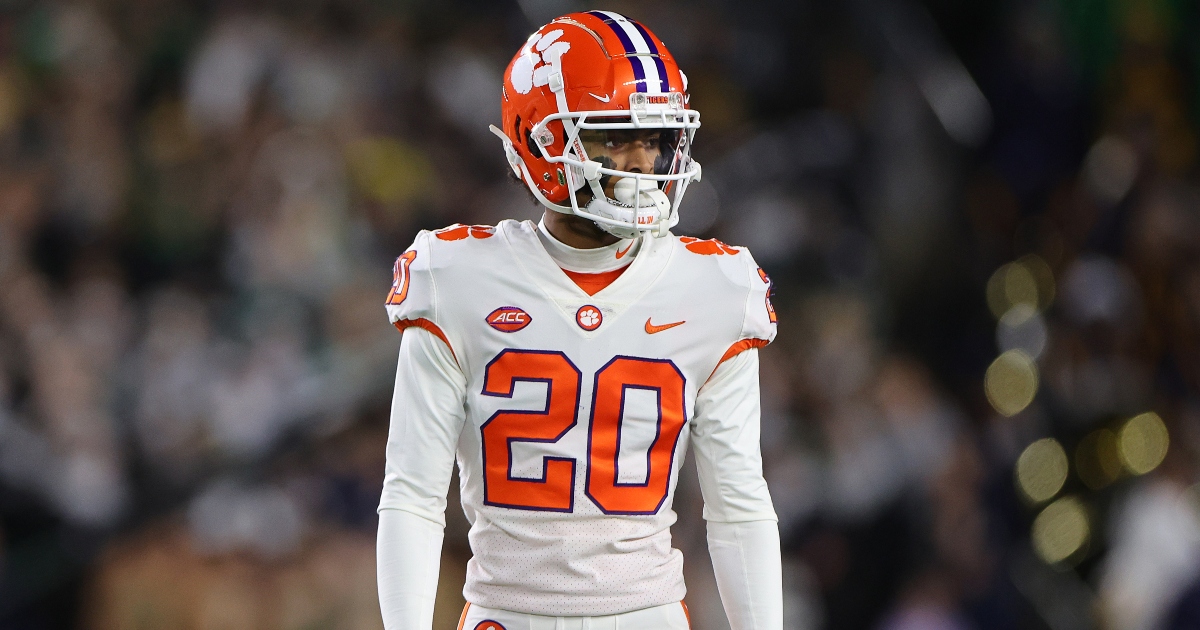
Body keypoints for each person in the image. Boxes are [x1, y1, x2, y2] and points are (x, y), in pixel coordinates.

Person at [376, 11, 783, 630]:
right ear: (541, 141)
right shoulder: (456, 278)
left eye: (654, 139)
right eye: (615, 136)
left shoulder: (714, 289)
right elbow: (413, 495)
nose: (643, 162)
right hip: (506, 614)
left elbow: (738, 505)